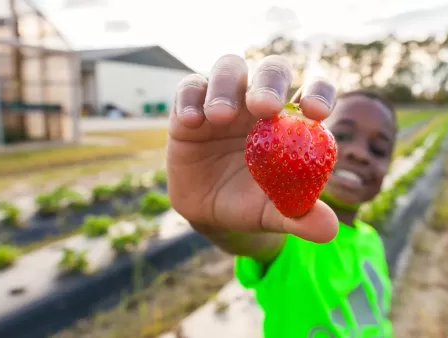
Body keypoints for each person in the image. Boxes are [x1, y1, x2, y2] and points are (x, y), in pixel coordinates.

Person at [166, 54, 397, 337]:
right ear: (319, 124)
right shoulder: (290, 242)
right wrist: (216, 222)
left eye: (378, 149)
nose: (359, 153)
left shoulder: (371, 240)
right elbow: (254, 240)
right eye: (343, 135)